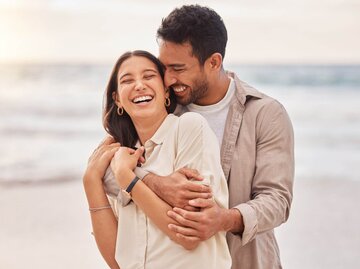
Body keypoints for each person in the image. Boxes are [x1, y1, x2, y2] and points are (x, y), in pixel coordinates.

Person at [139, 5, 295, 269]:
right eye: (163, 67)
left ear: (213, 62)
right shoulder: (161, 110)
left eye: (178, 68)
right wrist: (157, 183)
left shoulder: (266, 114)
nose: (167, 79)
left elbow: (277, 200)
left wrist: (223, 219)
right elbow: (111, 169)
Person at [83, 50, 232, 269]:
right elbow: (118, 262)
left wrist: (129, 179)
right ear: (118, 100)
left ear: (165, 91)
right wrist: (91, 181)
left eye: (149, 76)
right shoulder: (121, 157)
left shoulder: (188, 128)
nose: (139, 85)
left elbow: (187, 236)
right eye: (127, 80)